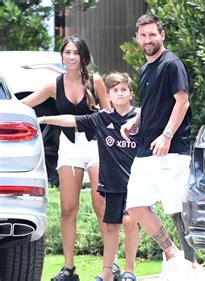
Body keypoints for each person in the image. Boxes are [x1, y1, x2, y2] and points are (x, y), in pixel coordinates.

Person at [22, 35, 111, 281]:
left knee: (100, 204)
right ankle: (69, 269)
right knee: (67, 208)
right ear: (62, 55)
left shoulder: (96, 81)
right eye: (67, 52)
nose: (71, 57)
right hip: (69, 147)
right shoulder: (54, 85)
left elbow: (110, 116)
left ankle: (109, 267)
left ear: (83, 56)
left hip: (95, 146)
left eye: (76, 52)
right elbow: (25, 105)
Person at [38, 72, 141, 281]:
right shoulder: (102, 118)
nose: (120, 94)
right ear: (108, 96)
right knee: (111, 225)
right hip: (111, 183)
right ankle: (107, 272)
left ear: (131, 94)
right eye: (115, 90)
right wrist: (45, 118)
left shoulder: (140, 117)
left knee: (130, 222)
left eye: (124, 90)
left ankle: (130, 270)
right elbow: (72, 120)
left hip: (134, 181)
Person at [120, 13, 197, 270]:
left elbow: (182, 101)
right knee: (136, 205)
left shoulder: (171, 64)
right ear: (137, 39)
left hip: (170, 150)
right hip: (145, 150)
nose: (148, 39)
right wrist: (134, 122)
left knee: (177, 209)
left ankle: (192, 264)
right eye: (143, 35)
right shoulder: (146, 69)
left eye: (153, 34)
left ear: (162, 35)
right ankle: (172, 252)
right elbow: (151, 104)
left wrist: (166, 136)